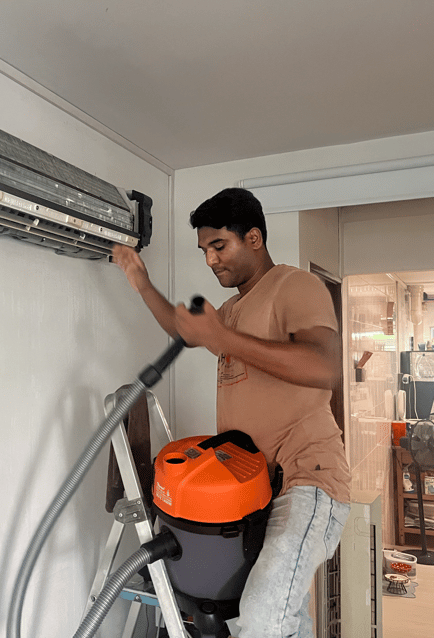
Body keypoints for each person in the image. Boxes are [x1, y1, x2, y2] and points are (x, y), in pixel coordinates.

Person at [112, 187, 351, 638]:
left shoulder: (294, 285)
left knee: (261, 615)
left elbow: (324, 367)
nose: (210, 260)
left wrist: (223, 339)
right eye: (204, 250)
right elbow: (184, 328)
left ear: (254, 238)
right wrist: (140, 281)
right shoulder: (233, 309)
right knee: (280, 614)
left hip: (308, 479)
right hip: (255, 490)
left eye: (219, 246)